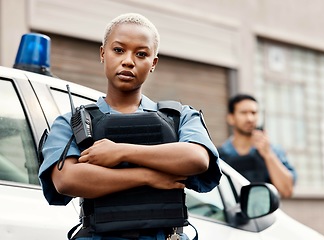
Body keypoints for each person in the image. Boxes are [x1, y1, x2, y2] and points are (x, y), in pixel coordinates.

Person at [38, 13, 221, 240]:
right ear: (103, 53)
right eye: (118, 50)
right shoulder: (73, 122)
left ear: (153, 63)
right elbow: (67, 180)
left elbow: (197, 158)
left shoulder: (179, 117)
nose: (128, 61)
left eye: (141, 54)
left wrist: (120, 151)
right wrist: (146, 176)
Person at [218, 94, 296, 198]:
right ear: (231, 118)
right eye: (243, 113)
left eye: (253, 113)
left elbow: (287, 191)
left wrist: (268, 155)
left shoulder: (273, 151)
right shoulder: (219, 156)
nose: (250, 118)